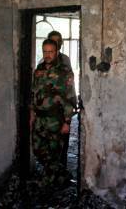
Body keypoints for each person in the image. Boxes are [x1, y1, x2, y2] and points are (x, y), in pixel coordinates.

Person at [30, 39, 77, 189]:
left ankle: (47, 184)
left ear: (56, 52)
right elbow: (34, 93)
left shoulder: (65, 72)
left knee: (54, 152)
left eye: (51, 52)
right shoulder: (39, 70)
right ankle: (62, 175)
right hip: (39, 118)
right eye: (45, 51)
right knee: (38, 150)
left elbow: (70, 97)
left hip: (55, 119)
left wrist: (67, 122)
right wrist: (32, 113)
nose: (48, 55)